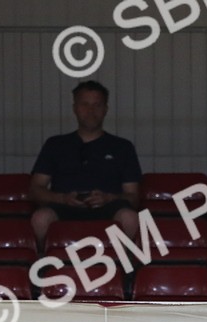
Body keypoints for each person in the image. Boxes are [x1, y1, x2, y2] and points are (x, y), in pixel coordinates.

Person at [30, 81, 141, 250]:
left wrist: (108, 198)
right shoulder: (55, 144)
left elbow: (133, 197)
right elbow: (36, 189)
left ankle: (124, 265)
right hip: (64, 207)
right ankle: (46, 262)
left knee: (130, 218)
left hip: (108, 207)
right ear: (75, 108)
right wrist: (63, 199)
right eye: (85, 104)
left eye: (97, 105)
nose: (91, 111)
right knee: (40, 219)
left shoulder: (123, 147)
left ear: (105, 109)